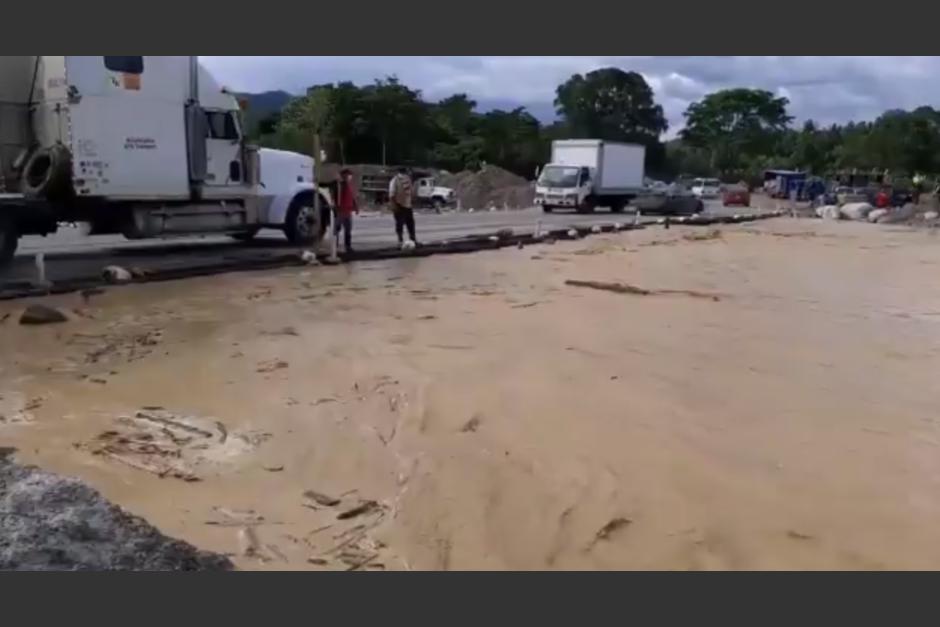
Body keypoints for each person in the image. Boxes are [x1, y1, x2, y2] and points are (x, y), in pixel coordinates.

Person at [388, 167, 416, 246]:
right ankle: (400, 240)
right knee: (400, 224)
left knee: (410, 223)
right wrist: (394, 205)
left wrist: (412, 201)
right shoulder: (395, 180)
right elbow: (391, 195)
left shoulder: (408, 180)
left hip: (407, 205)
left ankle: (412, 239)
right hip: (399, 204)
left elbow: (411, 192)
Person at [335, 168, 358, 253]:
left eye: (349, 175)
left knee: (348, 230)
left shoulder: (349, 185)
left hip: (348, 211)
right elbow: (336, 198)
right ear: (343, 175)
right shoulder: (340, 186)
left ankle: (348, 246)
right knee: (337, 229)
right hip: (340, 211)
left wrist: (356, 207)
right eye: (348, 175)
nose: (349, 176)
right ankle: (335, 246)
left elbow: (352, 197)